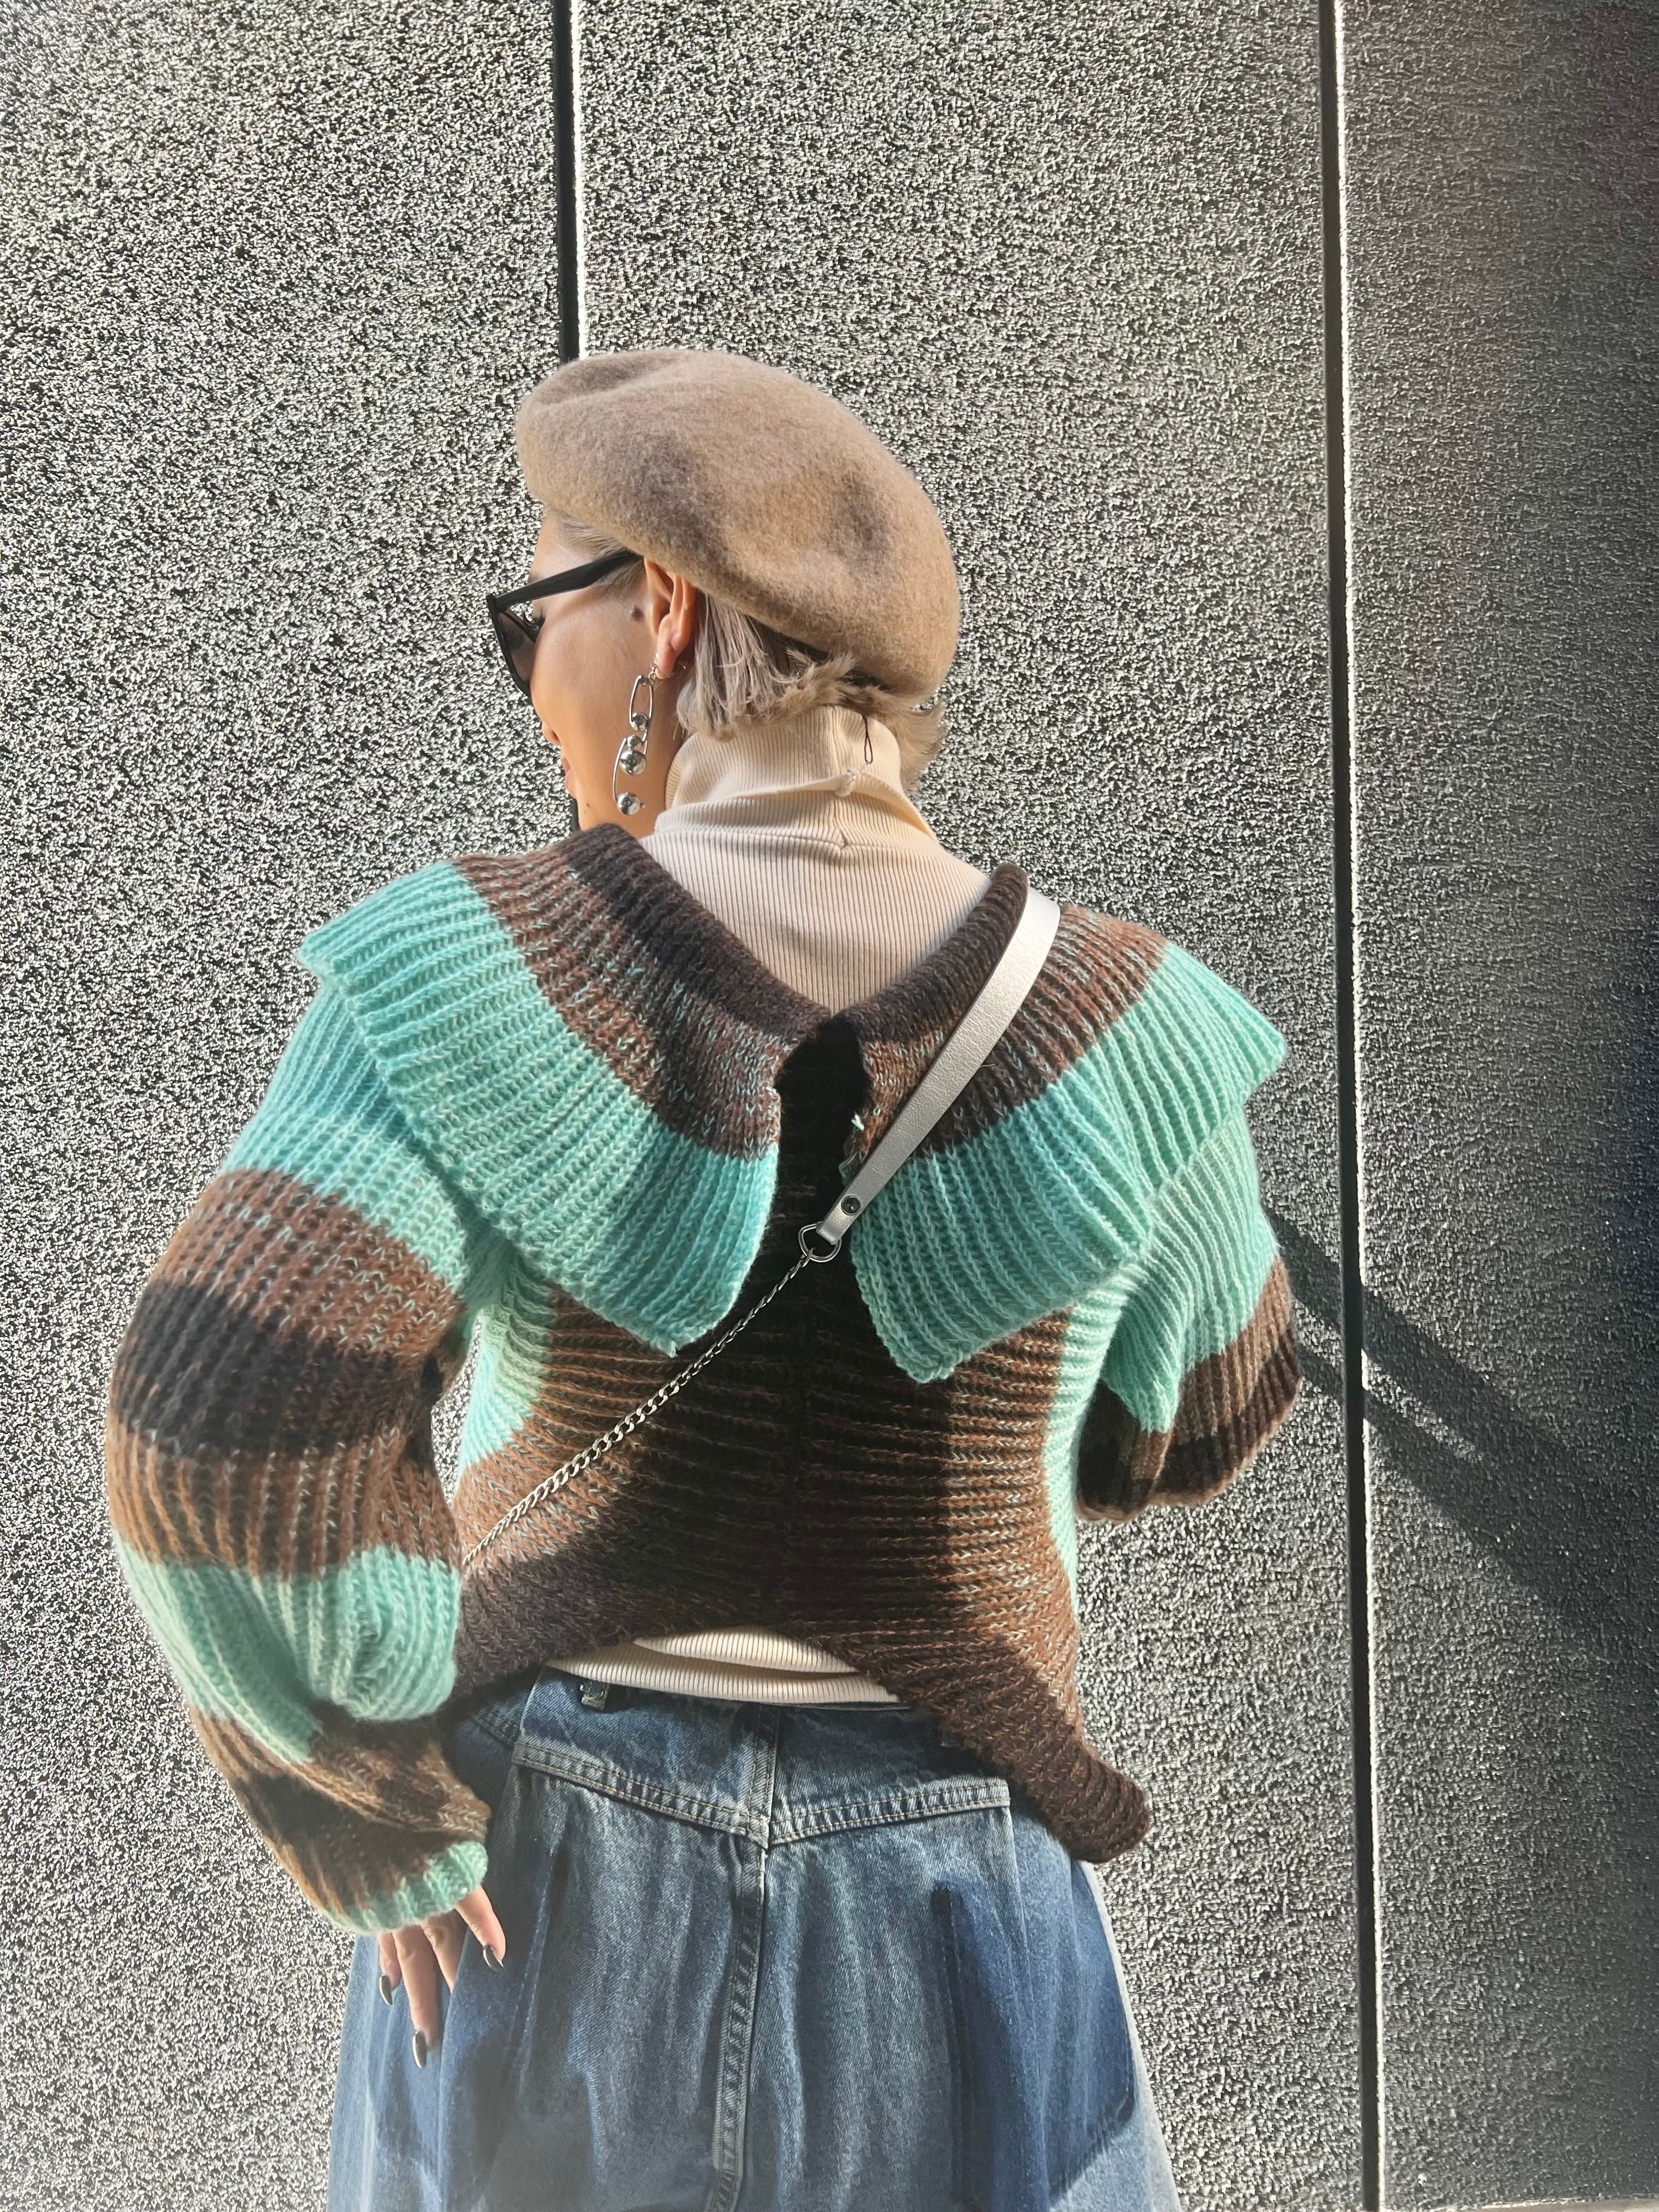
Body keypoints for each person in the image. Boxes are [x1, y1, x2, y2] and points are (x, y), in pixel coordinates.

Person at [103, 346, 1301, 2211]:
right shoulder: (1129, 1020)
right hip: (958, 1886)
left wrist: (362, 1806)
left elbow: (217, 1423)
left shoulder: (474, 970)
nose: (533, 680)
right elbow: (1200, 1417)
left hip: (549, 1889)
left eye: (536, 619)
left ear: (660, 612)